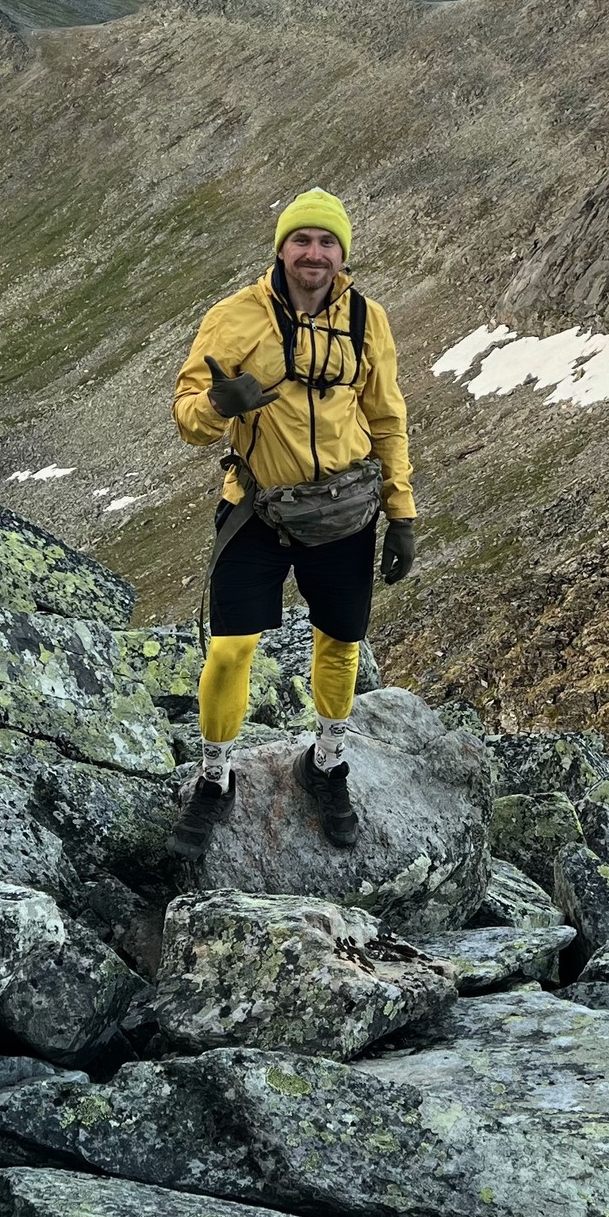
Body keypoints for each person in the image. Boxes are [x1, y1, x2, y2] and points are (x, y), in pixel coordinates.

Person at [170, 187, 416, 861]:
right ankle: (215, 775)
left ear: (343, 254)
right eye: (302, 239)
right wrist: (220, 403)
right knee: (230, 649)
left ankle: (327, 761)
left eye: (327, 241)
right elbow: (188, 414)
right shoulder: (234, 317)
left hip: (344, 508)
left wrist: (402, 514)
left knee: (340, 645)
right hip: (256, 507)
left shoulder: (368, 320)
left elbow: (387, 419)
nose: (314, 252)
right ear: (282, 247)